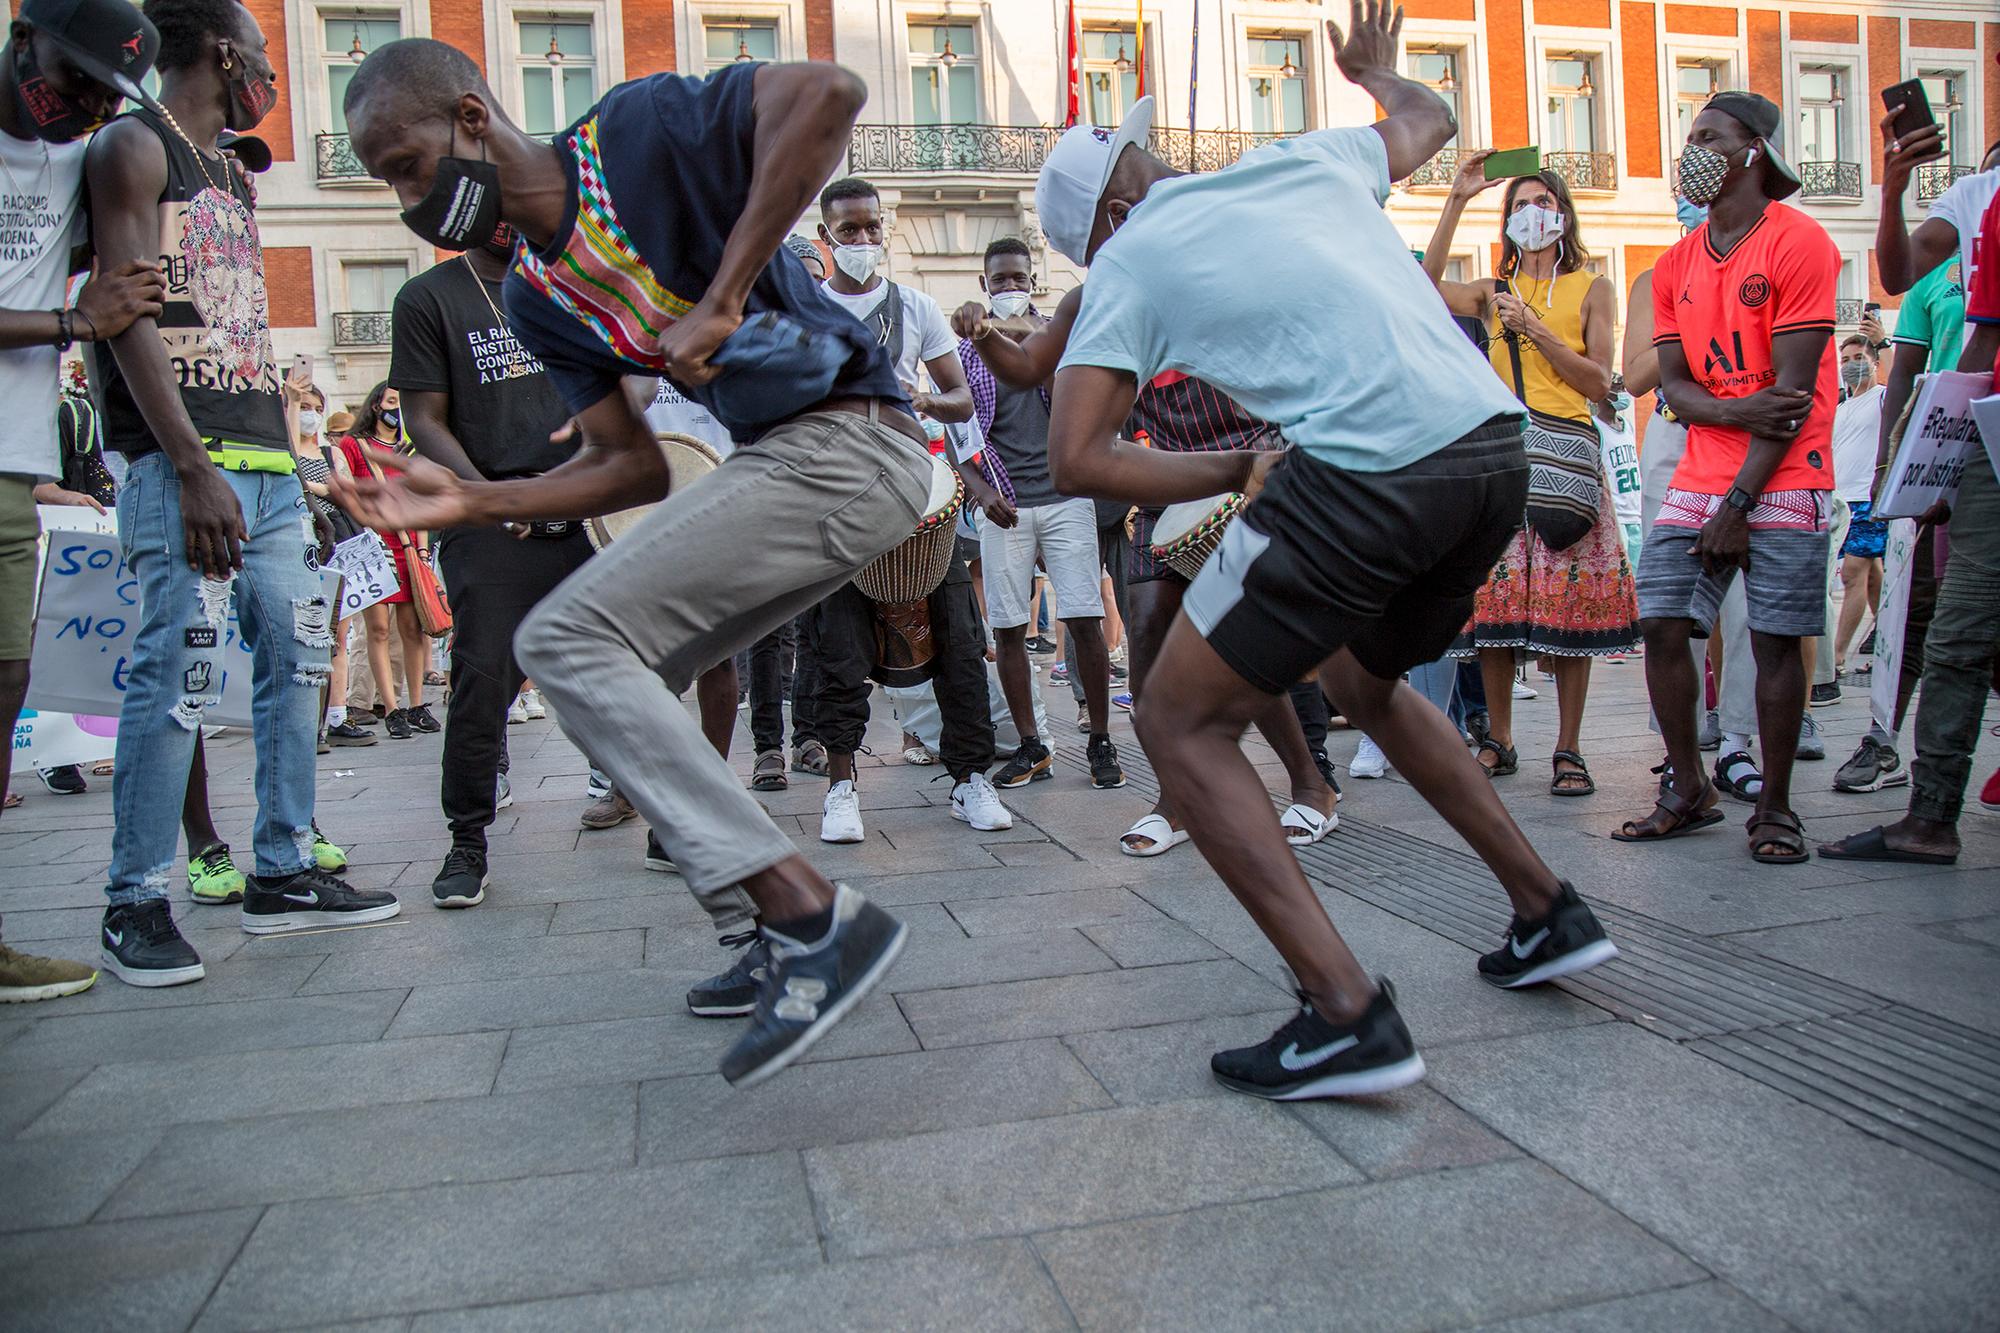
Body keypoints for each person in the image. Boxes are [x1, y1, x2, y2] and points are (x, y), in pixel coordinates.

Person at [1035, 3, 1617, 1100]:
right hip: (1490, 447)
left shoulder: (1124, 264)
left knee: (1172, 715)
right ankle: (1546, 910)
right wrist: (1373, 71)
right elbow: (1429, 117)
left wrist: (1228, 470)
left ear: (1098, 223)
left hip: (1369, 466)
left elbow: (1073, 456)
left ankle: (1345, 1012)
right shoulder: (1299, 162)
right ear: (1129, 184)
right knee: (1361, 673)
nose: (1158, 158)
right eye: (1143, 150)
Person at [336, 42, 942, 1086]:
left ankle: (807, 918)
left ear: (472, 121)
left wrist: (726, 291)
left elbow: (827, 95)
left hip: (855, 441)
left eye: (403, 164)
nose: (404, 201)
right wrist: (478, 497)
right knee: (609, 682)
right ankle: (763, 927)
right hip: (798, 462)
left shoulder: (629, 134)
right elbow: (624, 471)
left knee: (562, 635)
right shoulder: (536, 301)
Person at [86, 0, 400, 985]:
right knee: (174, 678)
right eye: (262, 55)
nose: (269, 74)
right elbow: (125, 314)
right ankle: (134, 899)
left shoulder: (231, 171)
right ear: (224, 51)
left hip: (266, 471)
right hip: (186, 469)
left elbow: (241, 331)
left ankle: (282, 865)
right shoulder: (134, 150)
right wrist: (186, 467)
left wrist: (294, 469)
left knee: (300, 666)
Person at [949, 250, 1337, 854]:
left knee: (1244, 648)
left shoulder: (1215, 285)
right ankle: (1177, 801)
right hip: (1163, 486)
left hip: (1245, 472)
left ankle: (1312, 787)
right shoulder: (1093, 301)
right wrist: (981, 331)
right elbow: (1026, 364)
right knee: (1150, 651)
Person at [1613, 91, 1840, 867]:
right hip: (1700, 474)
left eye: (1709, 137)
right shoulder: (1676, 263)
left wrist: (1739, 502)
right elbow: (1670, 390)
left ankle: (1774, 808)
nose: (1691, 152)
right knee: (1662, 622)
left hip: (1787, 476)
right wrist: (1741, 409)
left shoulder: (1800, 243)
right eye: (1690, 138)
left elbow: (1796, 399)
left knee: (1776, 641)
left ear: (1754, 149)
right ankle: (1688, 784)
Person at [0, 0, 165, 1001]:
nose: (88, 106)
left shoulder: (74, 162)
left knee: (9, 679)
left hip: (13, 463)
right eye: (76, 81)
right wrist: (71, 316)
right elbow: (88, 307)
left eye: (107, 94)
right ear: (25, 40)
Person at [390, 221, 598, 908]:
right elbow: (424, 417)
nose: (510, 218)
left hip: (586, 511)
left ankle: (658, 812)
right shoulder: (429, 297)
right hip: (488, 516)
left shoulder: (570, 285)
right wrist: (482, 493)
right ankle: (468, 840)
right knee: (482, 679)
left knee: (640, 669)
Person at [1421, 152, 1638, 797]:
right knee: (1492, 604)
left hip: (1567, 455)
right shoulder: (1492, 293)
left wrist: (1538, 332)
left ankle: (1569, 747)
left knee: (1568, 603)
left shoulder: (1593, 287)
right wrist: (1457, 199)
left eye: (1541, 202)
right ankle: (1501, 739)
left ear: (1563, 215)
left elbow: (1601, 381)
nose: (1529, 214)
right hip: (1502, 460)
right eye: (1517, 205)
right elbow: (1424, 287)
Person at [803, 176, 1009, 840]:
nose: (863, 241)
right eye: (850, 231)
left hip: (915, 488)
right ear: (825, 239)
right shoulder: (803, 312)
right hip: (838, 496)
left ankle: (970, 777)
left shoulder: (915, 306)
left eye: (871, 229)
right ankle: (841, 786)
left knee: (958, 638)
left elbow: (961, 400)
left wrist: (913, 401)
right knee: (839, 649)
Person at [1821, 183, 2000, 865]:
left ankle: (1930, 818)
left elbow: (1986, 340)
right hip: (1986, 440)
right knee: (1950, 624)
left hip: (1987, 446)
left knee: (1960, 632)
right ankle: (1927, 812)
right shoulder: (1985, 209)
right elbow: (1968, 340)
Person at [946, 241, 1127, 793]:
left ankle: (1100, 738)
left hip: (1066, 496)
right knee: (1007, 628)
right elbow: (957, 435)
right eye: (999, 281)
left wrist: (1028, 338)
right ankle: (1032, 745)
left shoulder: (1057, 339)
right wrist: (979, 492)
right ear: (984, 284)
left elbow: (1076, 405)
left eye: (1018, 278)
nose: (1009, 289)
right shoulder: (965, 354)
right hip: (1005, 504)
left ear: (1034, 281)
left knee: (1083, 619)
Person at [1832, 246, 1976, 793]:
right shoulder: (1933, 282)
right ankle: (1882, 738)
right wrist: (1889, 469)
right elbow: (1906, 378)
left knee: (1970, 613)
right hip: (1942, 447)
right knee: (1910, 608)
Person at [337, 381, 435, 739]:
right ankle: (391, 707)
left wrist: (422, 551)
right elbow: (345, 491)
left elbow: (420, 503)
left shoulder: (409, 450)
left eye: (402, 402)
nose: (397, 409)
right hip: (373, 546)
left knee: (412, 629)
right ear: (376, 405)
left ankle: (416, 704)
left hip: (408, 544)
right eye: (392, 401)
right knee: (378, 629)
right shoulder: (353, 445)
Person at [285, 374, 374, 747]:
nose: (311, 415)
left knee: (338, 634)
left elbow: (348, 494)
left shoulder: (330, 454)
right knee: (305, 636)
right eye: (304, 408)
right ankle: (308, 721)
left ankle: (336, 715)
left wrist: (318, 488)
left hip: (336, 546)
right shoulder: (285, 450)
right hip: (297, 545)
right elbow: (288, 458)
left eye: (317, 409)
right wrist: (290, 401)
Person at [1827, 334, 1886, 680]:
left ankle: (1836, 655)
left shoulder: (1884, 398)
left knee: (1852, 574)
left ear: (1875, 361)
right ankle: (1892, 643)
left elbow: (1904, 389)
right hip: (1842, 499)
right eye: (1845, 359)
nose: (1850, 365)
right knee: (1871, 576)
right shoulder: (1841, 407)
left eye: (1858, 357)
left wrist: (1884, 343)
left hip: (1869, 497)